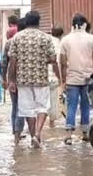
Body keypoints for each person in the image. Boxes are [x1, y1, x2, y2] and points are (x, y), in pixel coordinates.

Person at [7, 11, 60, 148]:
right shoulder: (46, 38)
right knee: (42, 107)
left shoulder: (17, 38)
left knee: (28, 110)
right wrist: (41, 59)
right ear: (39, 22)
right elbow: (53, 60)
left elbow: (12, 61)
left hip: (22, 80)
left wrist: (11, 81)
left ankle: (33, 138)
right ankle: (37, 134)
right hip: (41, 78)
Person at [60, 13, 93, 145]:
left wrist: (63, 79)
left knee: (71, 106)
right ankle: (85, 133)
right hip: (88, 78)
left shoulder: (65, 40)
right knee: (85, 106)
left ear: (73, 25)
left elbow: (62, 62)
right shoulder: (92, 39)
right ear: (85, 24)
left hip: (72, 78)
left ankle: (68, 135)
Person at [2, 17, 26, 144]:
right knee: (24, 107)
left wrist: (4, 79)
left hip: (12, 79)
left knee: (15, 106)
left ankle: (16, 132)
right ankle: (19, 132)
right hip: (25, 80)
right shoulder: (27, 41)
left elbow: (4, 63)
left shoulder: (9, 43)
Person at [48, 26, 64, 128]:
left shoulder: (46, 41)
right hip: (53, 76)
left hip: (41, 76)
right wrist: (60, 78)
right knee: (53, 100)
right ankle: (51, 122)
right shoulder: (59, 44)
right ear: (61, 35)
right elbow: (57, 63)